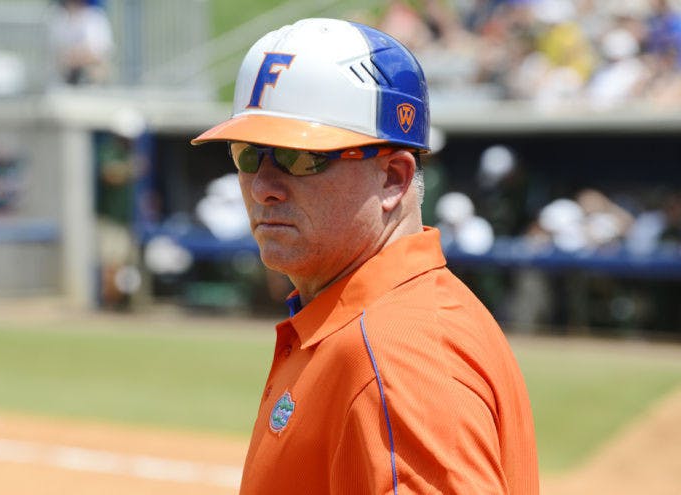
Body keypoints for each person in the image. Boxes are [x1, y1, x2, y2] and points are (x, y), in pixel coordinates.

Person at [190, 18, 538, 494]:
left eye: (301, 157)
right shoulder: (366, 321)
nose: (264, 187)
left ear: (393, 177)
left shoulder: (398, 357)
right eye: (248, 154)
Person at [48, 0, 114, 85]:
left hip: (88, 75)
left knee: (96, 70)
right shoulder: (57, 17)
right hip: (62, 75)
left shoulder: (95, 17)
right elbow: (53, 53)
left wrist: (74, 57)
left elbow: (98, 54)